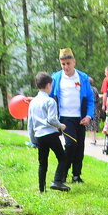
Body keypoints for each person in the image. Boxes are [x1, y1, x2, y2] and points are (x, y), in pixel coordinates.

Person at [51, 48, 97, 184]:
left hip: (80, 118)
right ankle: (63, 173)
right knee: (70, 144)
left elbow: (90, 99)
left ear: (74, 62)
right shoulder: (56, 78)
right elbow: (48, 96)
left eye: (68, 63)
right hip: (64, 118)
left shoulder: (82, 77)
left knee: (79, 147)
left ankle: (76, 175)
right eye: (63, 64)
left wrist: (89, 116)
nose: (66, 67)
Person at [27, 72, 69, 193]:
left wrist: (32, 140)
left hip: (39, 136)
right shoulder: (50, 101)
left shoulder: (33, 102)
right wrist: (61, 126)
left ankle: (41, 189)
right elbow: (51, 119)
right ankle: (57, 180)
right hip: (50, 134)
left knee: (42, 163)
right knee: (62, 158)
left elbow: (30, 124)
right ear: (48, 85)